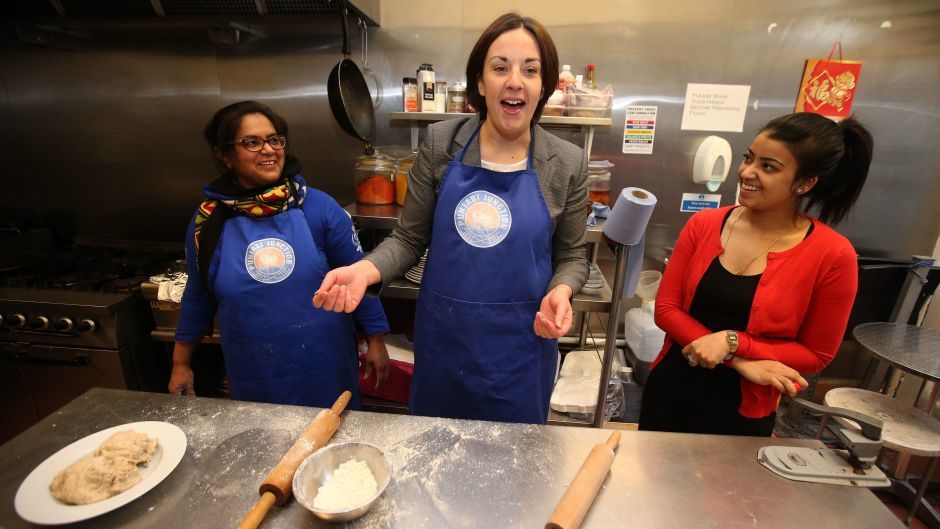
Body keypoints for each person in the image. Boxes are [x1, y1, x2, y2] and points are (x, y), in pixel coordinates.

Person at [313, 13, 590, 424]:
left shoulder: (566, 162)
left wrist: (562, 291)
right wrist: (365, 270)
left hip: (521, 351)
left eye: (530, 70)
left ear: (543, 86)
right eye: (500, 67)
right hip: (446, 346)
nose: (515, 80)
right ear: (480, 82)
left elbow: (572, 256)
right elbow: (408, 239)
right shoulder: (443, 143)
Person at [639, 112, 874, 436]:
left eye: (768, 167)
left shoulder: (833, 255)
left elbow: (816, 353)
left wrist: (732, 341)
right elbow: (666, 309)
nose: (747, 172)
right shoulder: (704, 225)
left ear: (805, 183)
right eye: (749, 158)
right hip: (670, 390)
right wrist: (736, 360)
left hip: (742, 410)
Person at [168, 100, 390, 409]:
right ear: (225, 154)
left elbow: (359, 275)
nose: (269, 150)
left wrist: (377, 339)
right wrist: (181, 363)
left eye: (274, 140)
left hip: (325, 366)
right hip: (254, 370)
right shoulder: (207, 222)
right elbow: (198, 293)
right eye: (252, 142)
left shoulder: (319, 208)